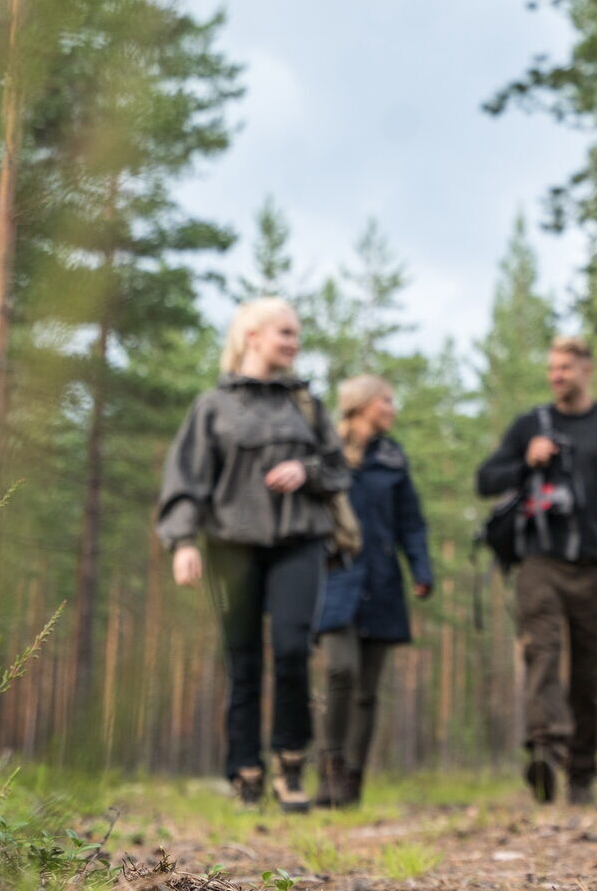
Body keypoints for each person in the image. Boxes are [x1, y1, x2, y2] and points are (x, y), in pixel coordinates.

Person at [156, 297, 350, 813]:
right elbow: (186, 480)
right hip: (231, 547)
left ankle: (290, 761)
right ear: (252, 337)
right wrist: (183, 542)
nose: (294, 342)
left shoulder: (305, 404)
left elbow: (338, 468)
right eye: (285, 332)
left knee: (291, 651)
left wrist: (306, 471)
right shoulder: (211, 407)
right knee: (242, 662)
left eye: (297, 333)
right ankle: (244, 771)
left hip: (299, 542)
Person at [476, 336, 597, 805]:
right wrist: (523, 461)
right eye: (552, 368)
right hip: (540, 560)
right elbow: (484, 479)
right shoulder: (531, 424)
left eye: (565, 367)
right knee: (543, 655)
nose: (556, 376)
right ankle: (547, 753)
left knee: (591, 672)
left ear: (587, 369)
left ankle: (583, 774)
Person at [312, 375, 433, 808]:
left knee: (367, 688)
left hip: (382, 581)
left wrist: (421, 568)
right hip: (335, 579)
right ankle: (329, 767)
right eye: (387, 400)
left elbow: (411, 522)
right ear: (362, 405)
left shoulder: (392, 458)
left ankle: (352, 782)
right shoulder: (323, 453)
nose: (392, 408)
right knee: (339, 670)